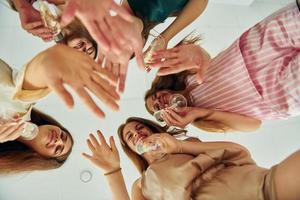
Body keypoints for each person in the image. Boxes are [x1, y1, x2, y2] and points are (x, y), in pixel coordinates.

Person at [145, 2, 300, 132]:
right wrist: (198, 113)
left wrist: (198, 52)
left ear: (160, 89)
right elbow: (254, 125)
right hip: (274, 95)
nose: (160, 101)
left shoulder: (184, 76)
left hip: (255, 48)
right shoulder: (201, 120)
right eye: (158, 109)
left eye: (155, 97)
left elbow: (203, 59)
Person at [82, 117, 300, 200]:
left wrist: (178, 146)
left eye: (140, 127)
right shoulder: (142, 184)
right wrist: (112, 171)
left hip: (264, 186)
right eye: (130, 137)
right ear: (132, 150)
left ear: (152, 129)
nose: (137, 133)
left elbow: (237, 149)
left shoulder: (187, 146)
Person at [0, 59, 74, 174]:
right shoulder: (26, 100)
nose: (58, 140)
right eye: (63, 136)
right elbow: (39, 72)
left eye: (57, 149)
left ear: (41, 157)